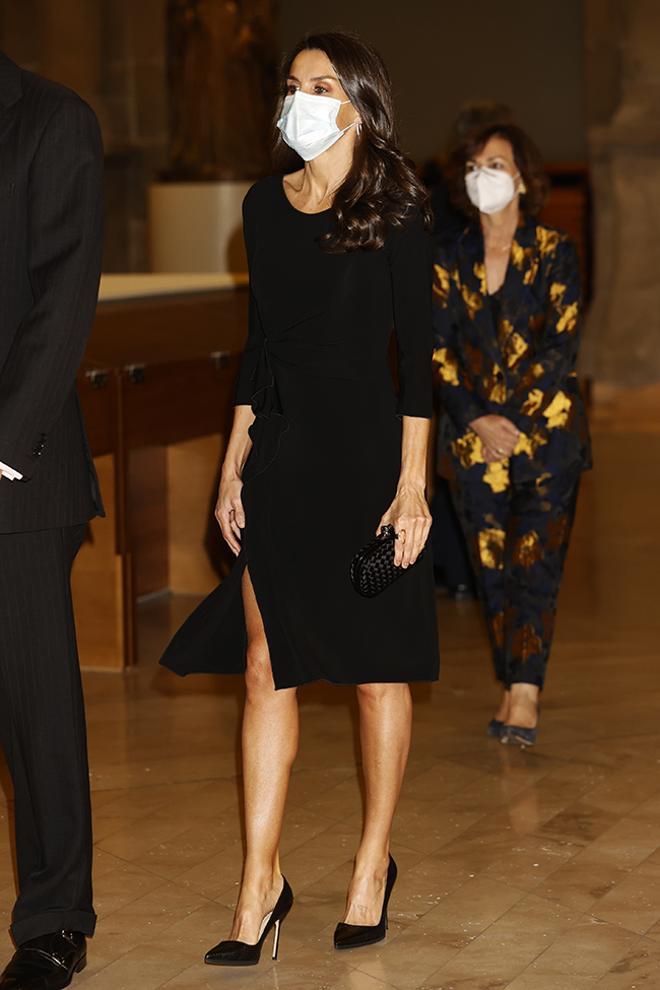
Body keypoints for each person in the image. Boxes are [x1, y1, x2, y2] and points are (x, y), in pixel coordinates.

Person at [161, 30, 439, 964]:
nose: (302, 98)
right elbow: (260, 344)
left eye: (322, 85)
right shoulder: (261, 205)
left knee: (374, 673)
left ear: (359, 102)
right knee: (260, 665)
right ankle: (259, 883)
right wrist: (234, 456)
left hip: (369, 463)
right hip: (284, 454)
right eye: (293, 85)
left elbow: (420, 364)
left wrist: (412, 485)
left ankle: (371, 863)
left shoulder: (398, 207)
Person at [432, 123, 590, 747]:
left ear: (521, 175)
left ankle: (524, 694)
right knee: (492, 569)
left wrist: (513, 422)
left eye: (495, 164)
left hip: (545, 440)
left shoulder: (556, 250)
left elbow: (561, 345)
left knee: (536, 565)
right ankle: (511, 680)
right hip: (474, 444)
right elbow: (436, 350)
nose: (483, 175)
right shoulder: (448, 257)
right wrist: (478, 419)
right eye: (474, 165)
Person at [0, 52, 104, 990]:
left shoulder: (51, 119)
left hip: (14, 474)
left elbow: (64, 299)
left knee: (34, 712)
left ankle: (54, 920)